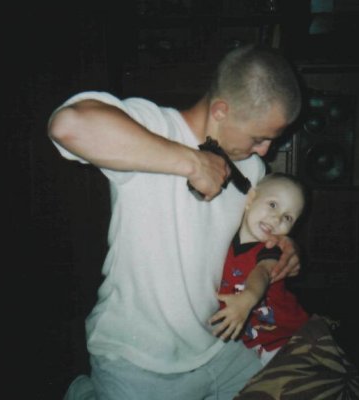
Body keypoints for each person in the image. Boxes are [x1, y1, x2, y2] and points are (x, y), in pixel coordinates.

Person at [48, 44, 302, 400]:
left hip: (218, 346)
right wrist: (192, 162)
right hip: (138, 358)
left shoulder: (252, 168)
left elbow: (256, 233)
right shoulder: (155, 126)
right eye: (259, 138)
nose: (266, 151)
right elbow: (68, 125)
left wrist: (285, 245)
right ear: (221, 111)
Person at [209, 173, 310, 366]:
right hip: (251, 343)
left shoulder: (271, 248)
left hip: (285, 337)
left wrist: (248, 297)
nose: (277, 218)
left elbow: (263, 272)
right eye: (273, 205)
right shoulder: (224, 238)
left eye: (288, 217)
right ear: (250, 199)